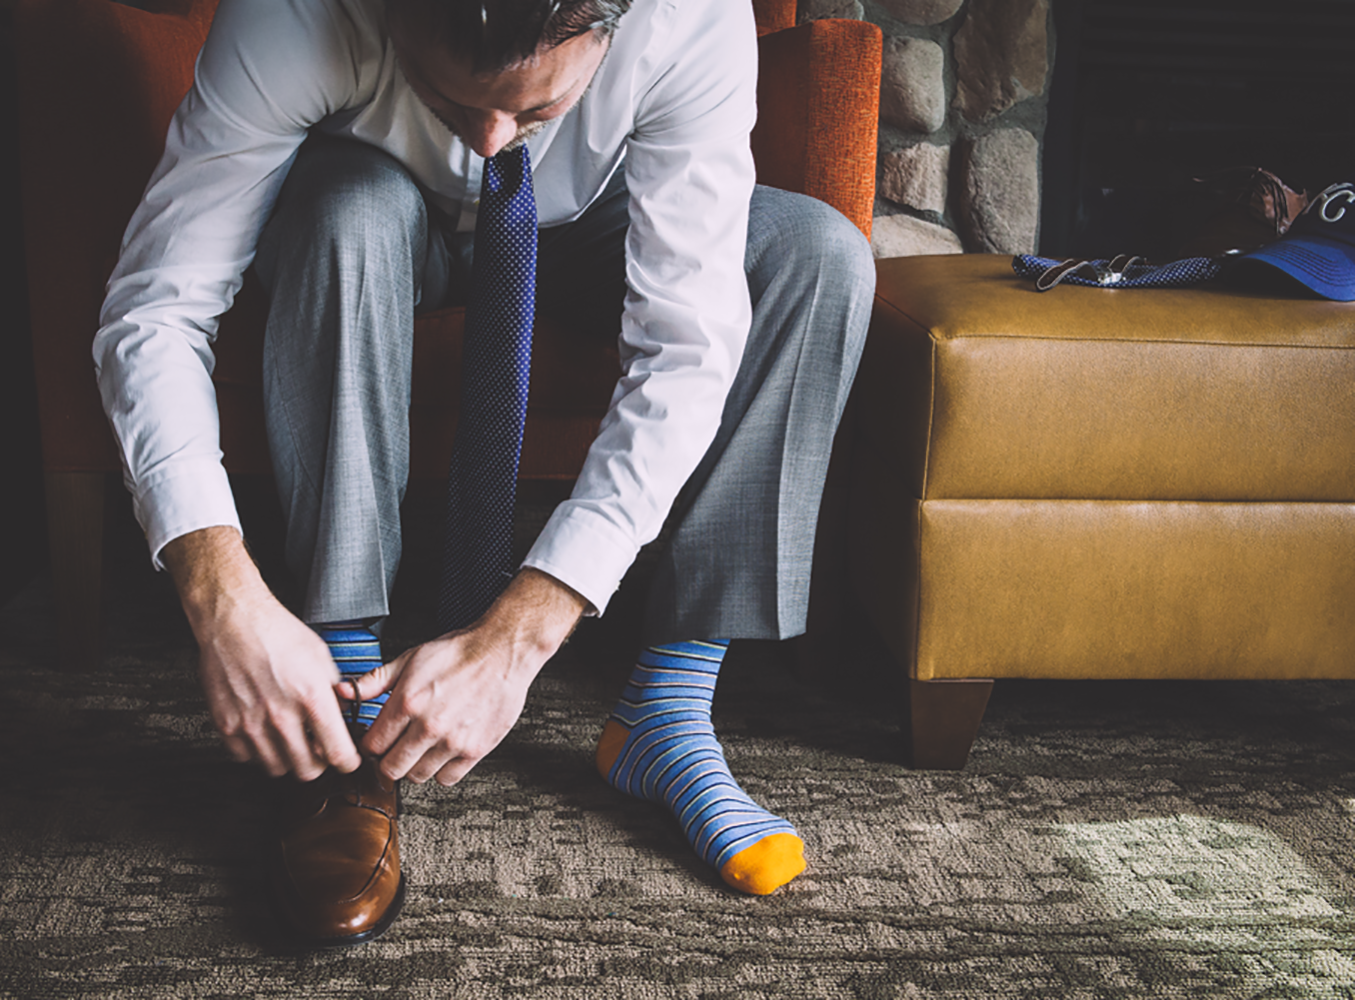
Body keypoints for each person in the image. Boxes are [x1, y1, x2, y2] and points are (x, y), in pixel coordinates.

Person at [94, 0, 874, 945]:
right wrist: (220, 593)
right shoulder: (292, 17)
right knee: (347, 211)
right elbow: (156, 311)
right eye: (451, 98)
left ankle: (666, 714)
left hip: (590, 217)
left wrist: (521, 632)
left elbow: (687, 349)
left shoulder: (685, 17)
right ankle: (345, 722)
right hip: (376, 202)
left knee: (813, 253)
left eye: (533, 111)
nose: (491, 139)